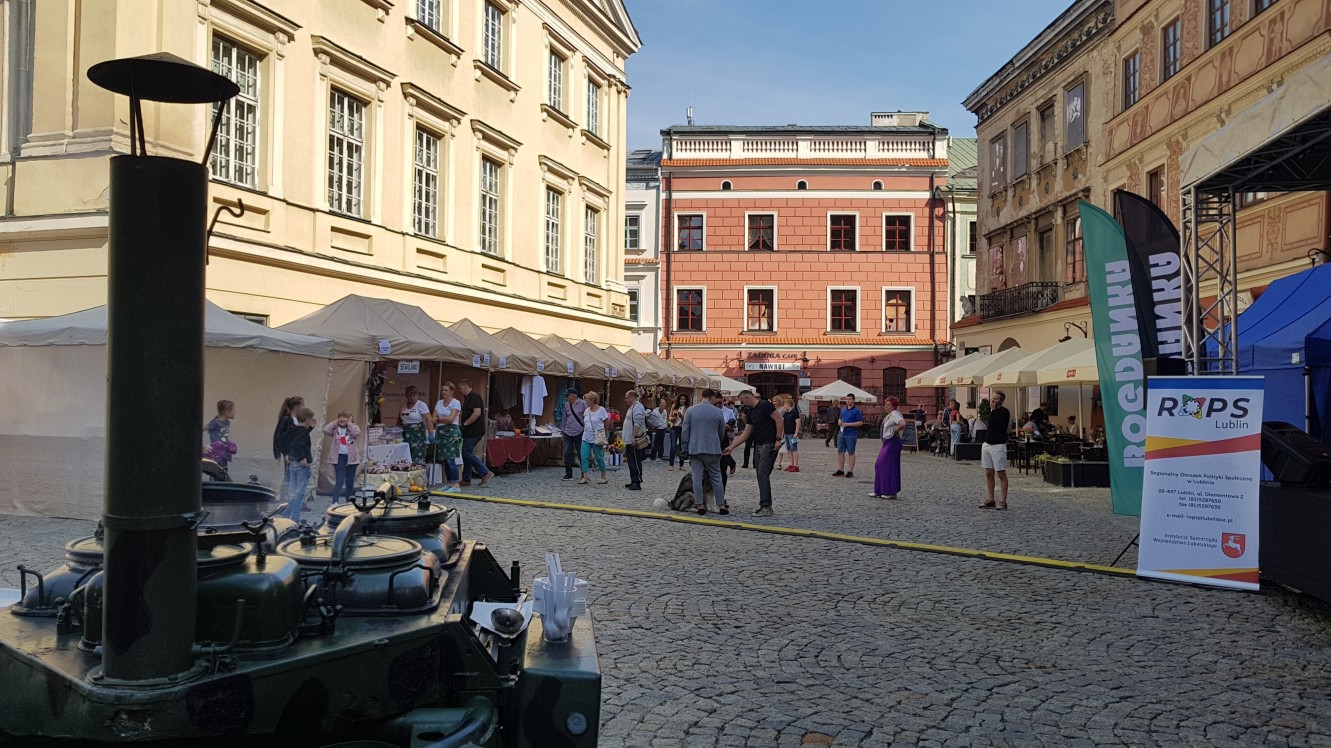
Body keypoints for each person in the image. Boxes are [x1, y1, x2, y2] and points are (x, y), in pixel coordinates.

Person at [724, 390, 782, 517]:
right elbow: (746, 433)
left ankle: (766, 506)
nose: (743, 405)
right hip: (759, 444)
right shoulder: (750, 412)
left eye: (743, 401)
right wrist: (732, 447)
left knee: (763, 474)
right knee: (760, 475)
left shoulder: (765, 405)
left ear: (747, 397)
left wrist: (778, 440)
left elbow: (779, 419)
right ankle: (764, 505)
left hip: (769, 444)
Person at [682, 388, 729, 515]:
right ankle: (722, 505)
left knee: (697, 477)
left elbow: (685, 431)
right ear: (712, 398)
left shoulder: (690, 411)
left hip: (695, 448)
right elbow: (721, 432)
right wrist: (716, 441)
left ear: (701, 396)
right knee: (716, 477)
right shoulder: (718, 412)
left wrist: (684, 447)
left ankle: (700, 504)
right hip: (713, 449)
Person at [281, 407, 316, 519]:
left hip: (292, 464)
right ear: (307, 420)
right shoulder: (303, 434)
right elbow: (299, 443)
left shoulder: (293, 430)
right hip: (301, 466)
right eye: (311, 419)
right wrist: (302, 458)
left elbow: (298, 437)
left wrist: (310, 429)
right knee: (300, 493)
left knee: (291, 491)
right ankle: (295, 517)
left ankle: (286, 514)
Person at [457, 380, 494, 488]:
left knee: (466, 452)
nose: (459, 391)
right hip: (469, 431)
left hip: (474, 430)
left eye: (460, 388)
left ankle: (485, 472)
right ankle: (466, 479)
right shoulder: (468, 397)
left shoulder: (474, 396)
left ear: (465, 386)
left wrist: (465, 424)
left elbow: (477, 413)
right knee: (466, 453)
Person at [980, 391, 1012, 510]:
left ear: (1001, 401)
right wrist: (991, 411)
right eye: (992, 398)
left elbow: (995, 425)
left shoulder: (1004, 412)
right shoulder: (991, 412)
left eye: (995, 399)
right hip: (987, 444)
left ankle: (1003, 501)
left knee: (1001, 473)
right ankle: (990, 499)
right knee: (989, 473)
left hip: (998, 445)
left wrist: (993, 411)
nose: (992, 400)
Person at [322, 411, 361, 504]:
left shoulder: (353, 428)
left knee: (350, 482)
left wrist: (349, 423)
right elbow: (325, 429)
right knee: (339, 480)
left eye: (344, 417)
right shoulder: (336, 429)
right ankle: (335, 502)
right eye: (340, 417)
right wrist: (336, 421)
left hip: (352, 459)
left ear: (350, 419)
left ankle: (349, 502)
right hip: (340, 458)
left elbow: (357, 433)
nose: (342, 419)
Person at [871, 397, 905, 499]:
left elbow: (903, 423)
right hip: (887, 442)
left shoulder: (895, 414)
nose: (886, 407)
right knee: (879, 465)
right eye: (885, 405)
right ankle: (879, 490)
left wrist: (895, 430)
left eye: (888, 405)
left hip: (892, 442)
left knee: (887, 465)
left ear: (893, 406)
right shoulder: (889, 415)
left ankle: (890, 491)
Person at [433, 383, 464, 493]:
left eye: (446, 390)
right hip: (441, 431)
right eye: (442, 390)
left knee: (451, 459)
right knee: (444, 459)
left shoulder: (456, 403)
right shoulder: (439, 403)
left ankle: (456, 484)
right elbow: (433, 418)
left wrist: (439, 419)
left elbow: (451, 419)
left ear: (452, 391)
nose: (444, 392)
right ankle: (449, 482)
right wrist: (441, 419)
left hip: (451, 432)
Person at [578, 391, 610, 485]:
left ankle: (603, 476)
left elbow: (606, 422)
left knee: (599, 457)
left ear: (592, 400)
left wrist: (604, 432)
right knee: (583, 456)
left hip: (597, 437)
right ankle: (585, 476)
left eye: (587, 399)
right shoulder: (587, 410)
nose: (585, 401)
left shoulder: (601, 410)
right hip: (586, 437)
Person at [622, 389, 647, 491]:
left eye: (627, 398)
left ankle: (637, 481)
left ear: (632, 397)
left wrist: (633, 436)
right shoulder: (632, 408)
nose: (625, 400)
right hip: (629, 440)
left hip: (634, 440)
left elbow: (638, 422)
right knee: (631, 461)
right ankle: (633, 480)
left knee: (635, 461)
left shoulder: (638, 407)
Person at [399, 385, 431, 463]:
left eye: (414, 395)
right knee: (406, 455)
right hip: (406, 434)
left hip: (418, 435)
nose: (412, 398)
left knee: (417, 456)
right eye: (410, 396)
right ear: (406, 396)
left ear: (417, 395)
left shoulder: (421, 405)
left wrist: (431, 433)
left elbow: (428, 419)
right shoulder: (403, 405)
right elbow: (399, 420)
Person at [834, 395, 864, 478]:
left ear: (853, 400)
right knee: (840, 452)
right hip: (842, 433)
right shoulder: (843, 409)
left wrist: (848, 424)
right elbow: (840, 418)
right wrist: (839, 421)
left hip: (851, 434)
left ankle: (850, 471)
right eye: (846, 399)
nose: (848, 401)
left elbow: (860, 422)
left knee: (851, 452)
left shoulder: (856, 411)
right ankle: (840, 470)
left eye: (849, 399)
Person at [559, 388, 585, 481]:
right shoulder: (566, 405)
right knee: (567, 453)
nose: (566, 398)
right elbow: (564, 418)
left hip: (579, 431)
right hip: (568, 432)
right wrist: (563, 431)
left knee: (581, 453)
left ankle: (584, 473)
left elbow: (585, 417)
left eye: (567, 396)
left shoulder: (583, 404)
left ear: (573, 396)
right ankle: (568, 474)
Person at [205, 399, 236, 469]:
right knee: (216, 470)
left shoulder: (227, 423)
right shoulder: (215, 422)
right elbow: (202, 428)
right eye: (233, 410)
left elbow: (224, 436)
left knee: (223, 469)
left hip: (224, 451)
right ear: (227, 411)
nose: (235, 412)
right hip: (216, 452)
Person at [780, 395, 801, 472]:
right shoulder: (785, 413)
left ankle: (796, 465)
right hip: (786, 433)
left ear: (788, 404)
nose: (783, 406)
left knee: (794, 449)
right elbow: (783, 423)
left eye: (784, 404)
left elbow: (798, 423)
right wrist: (782, 432)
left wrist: (796, 433)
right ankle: (791, 464)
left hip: (792, 433)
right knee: (789, 450)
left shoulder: (795, 413)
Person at [668, 393, 688, 471]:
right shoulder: (674, 406)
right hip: (674, 427)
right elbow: (669, 417)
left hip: (682, 428)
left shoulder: (687, 408)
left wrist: (681, 416)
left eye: (684, 399)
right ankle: (671, 464)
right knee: (673, 446)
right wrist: (673, 418)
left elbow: (686, 421)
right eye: (681, 399)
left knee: (681, 446)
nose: (682, 400)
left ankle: (681, 465)